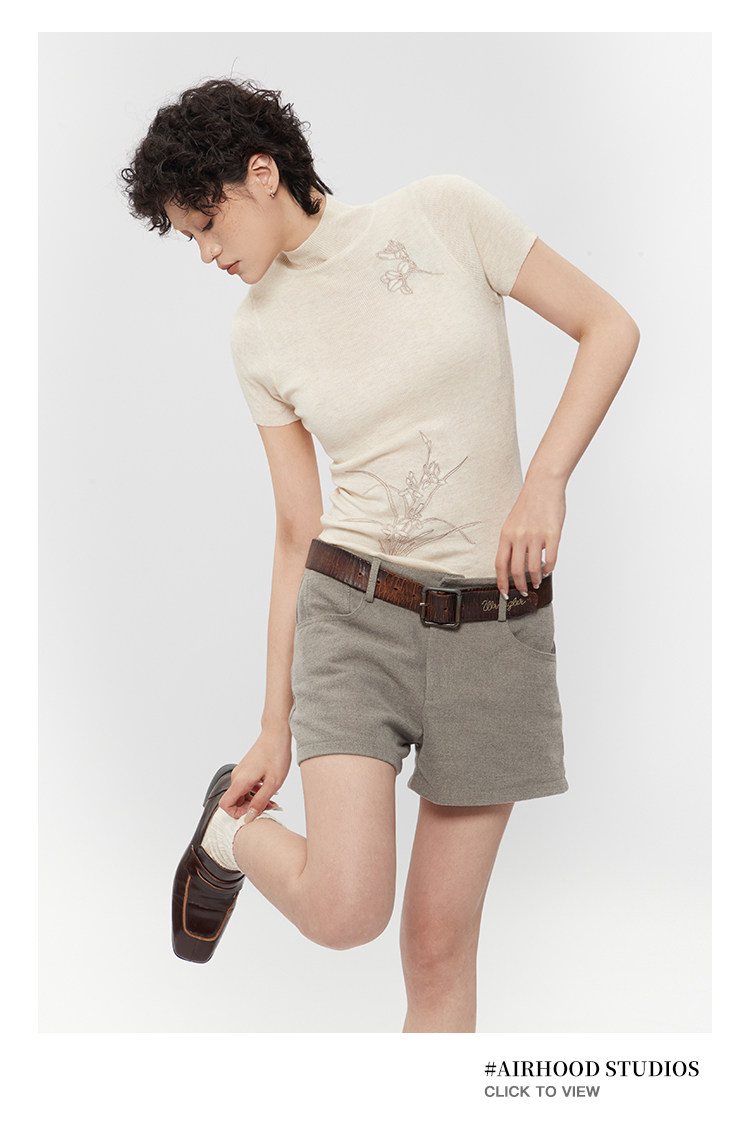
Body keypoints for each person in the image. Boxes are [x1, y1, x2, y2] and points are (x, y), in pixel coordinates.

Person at [121, 76, 639, 1033]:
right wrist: (272, 725)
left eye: (206, 224)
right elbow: (296, 527)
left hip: (497, 626)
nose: (206, 254)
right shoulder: (256, 336)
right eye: (189, 238)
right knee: (347, 909)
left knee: (438, 950)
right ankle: (229, 833)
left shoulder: (445, 213)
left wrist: (546, 482)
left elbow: (608, 327)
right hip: (354, 616)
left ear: (262, 174)